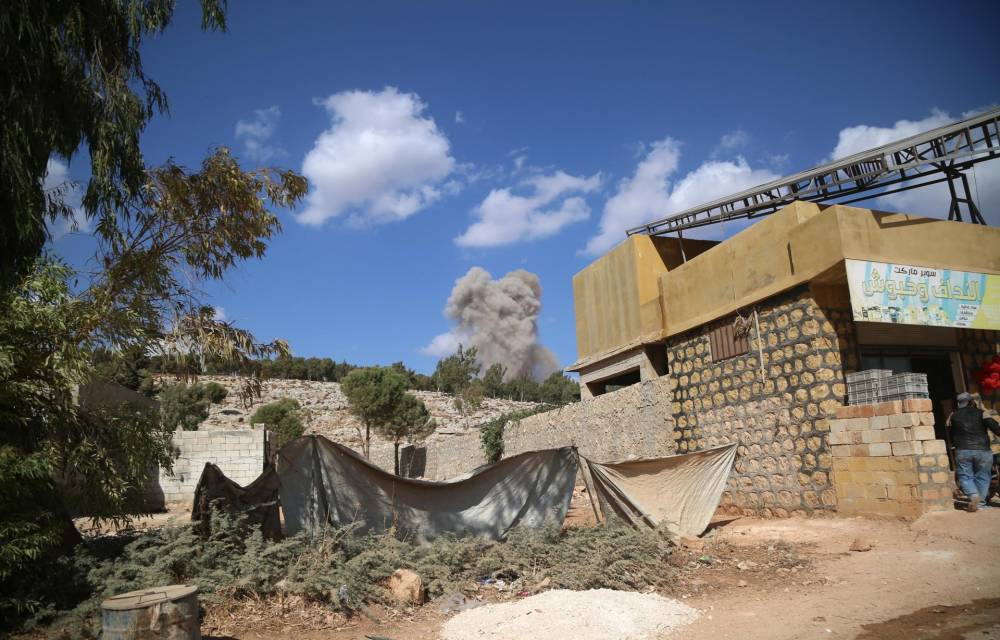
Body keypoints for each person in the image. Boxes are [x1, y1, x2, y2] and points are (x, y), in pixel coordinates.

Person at [949, 392, 1000, 512]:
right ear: (972, 402)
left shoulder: (954, 416)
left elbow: (951, 434)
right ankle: (981, 504)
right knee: (983, 477)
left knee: (965, 476)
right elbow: (996, 429)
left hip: (963, 450)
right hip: (983, 450)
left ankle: (973, 495)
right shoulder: (982, 413)